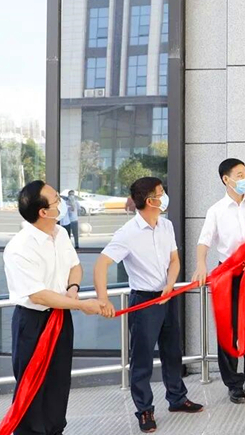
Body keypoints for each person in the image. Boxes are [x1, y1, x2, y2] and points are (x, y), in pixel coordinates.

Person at [94, 177, 203, 433]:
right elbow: (101, 265)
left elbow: (174, 260)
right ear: (150, 201)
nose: (164, 197)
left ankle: (177, 398)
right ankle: (144, 410)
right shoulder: (127, 233)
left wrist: (170, 284)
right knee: (142, 358)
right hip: (144, 301)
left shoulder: (166, 226)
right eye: (160, 193)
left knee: (172, 351)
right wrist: (103, 299)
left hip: (167, 296)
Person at [2, 180, 105, 435]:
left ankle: (55, 429)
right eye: (56, 200)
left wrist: (73, 289)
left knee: (59, 381)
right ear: (43, 212)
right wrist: (80, 305)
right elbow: (39, 296)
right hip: (33, 322)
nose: (61, 203)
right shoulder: (19, 247)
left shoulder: (60, 233)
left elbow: (75, 266)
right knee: (32, 386)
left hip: (61, 316)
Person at [193, 158, 245, 405]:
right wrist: (201, 265)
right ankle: (233, 384)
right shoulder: (216, 210)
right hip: (229, 277)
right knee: (229, 330)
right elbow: (204, 241)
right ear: (226, 179)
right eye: (240, 175)